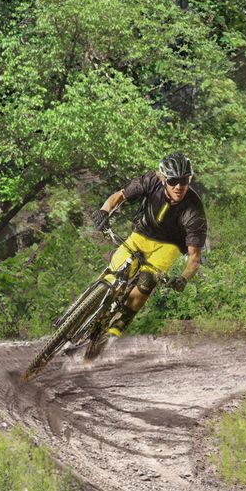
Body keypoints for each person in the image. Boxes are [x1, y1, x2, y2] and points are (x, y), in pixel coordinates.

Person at [85, 151, 207, 360]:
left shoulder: (193, 210)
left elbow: (194, 258)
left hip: (168, 246)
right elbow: (121, 195)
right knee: (113, 273)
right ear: (163, 178)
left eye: (184, 180)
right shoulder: (151, 181)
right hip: (140, 235)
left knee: (145, 283)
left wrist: (183, 279)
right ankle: (85, 311)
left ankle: (112, 333)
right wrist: (105, 210)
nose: (179, 186)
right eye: (173, 180)